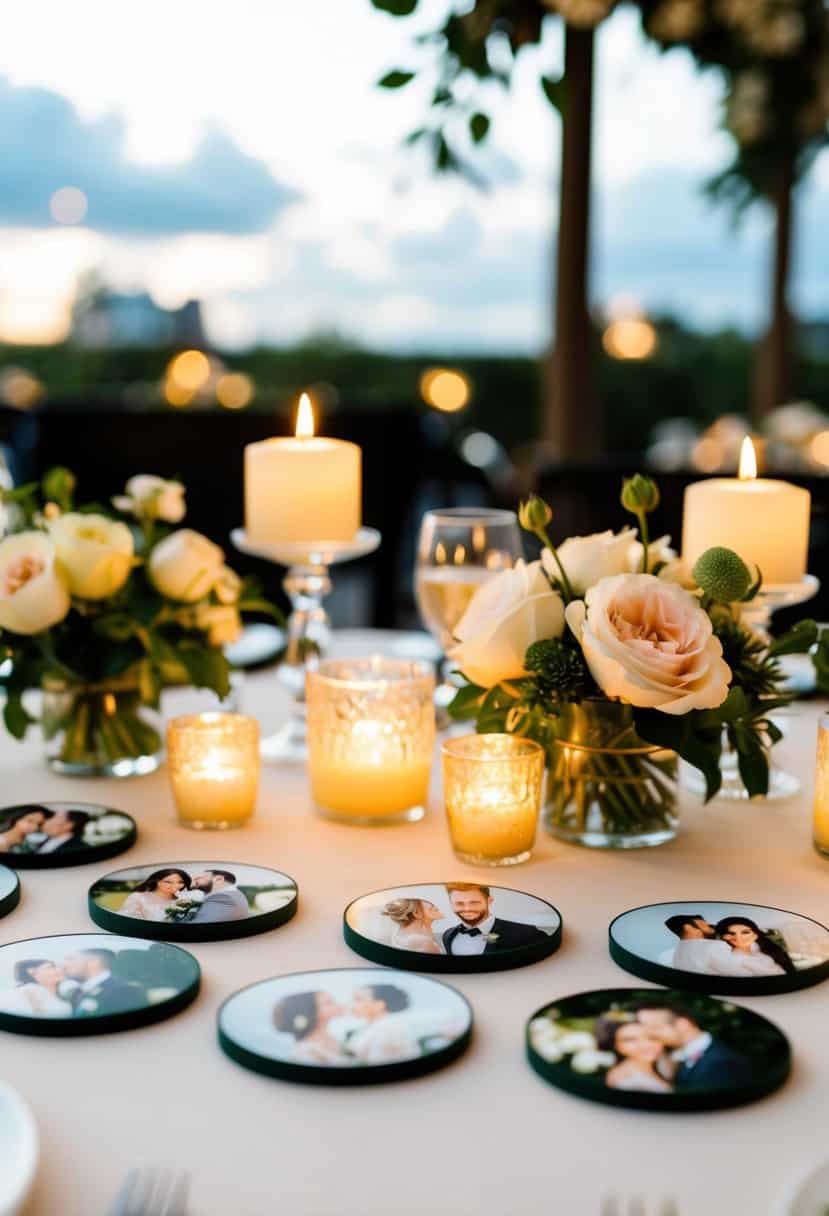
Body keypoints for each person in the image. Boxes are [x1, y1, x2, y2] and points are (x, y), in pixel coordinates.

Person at [634, 1002, 753, 1091]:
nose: (650, 1034)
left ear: (683, 1024)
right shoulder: (674, 1057)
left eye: (655, 1028)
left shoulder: (721, 1063)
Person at [442, 883, 547, 956]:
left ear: (489, 901)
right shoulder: (448, 935)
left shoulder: (527, 933)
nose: (467, 909)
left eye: (474, 902)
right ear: (451, 904)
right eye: (459, 903)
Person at [594, 1016, 672, 1094]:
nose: (645, 1045)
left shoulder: (664, 1062)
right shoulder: (628, 1083)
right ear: (616, 1046)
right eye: (630, 1040)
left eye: (651, 1037)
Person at [62, 948, 146, 1017]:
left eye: (70, 959)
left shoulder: (126, 991)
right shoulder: (76, 993)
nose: (64, 965)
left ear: (93, 962)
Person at [273, 990, 348, 1065]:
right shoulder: (304, 1053)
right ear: (312, 1012)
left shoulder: (333, 1039)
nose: (338, 1004)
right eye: (329, 1002)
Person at [659, 914, 741, 976]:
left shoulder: (674, 953)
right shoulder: (715, 945)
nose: (708, 925)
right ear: (688, 927)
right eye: (704, 924)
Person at [715, 916, 795, 978]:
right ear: (723, 937)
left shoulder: (764, 949)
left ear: (755, 935)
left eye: (745, 932)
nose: (738, 938)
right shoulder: (734, 961)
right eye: (730, 934)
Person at [1, 959, 74, 1017]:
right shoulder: (28, 990)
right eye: (50, 967)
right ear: (31, 971)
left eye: (58, 967)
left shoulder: (64, 995)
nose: (59, 970)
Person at [119, 869, 192, 921]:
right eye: (168, 882)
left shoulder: (183, 901)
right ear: (157, 881)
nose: (175, 886)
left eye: (180, 882)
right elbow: (126, 920)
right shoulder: (138, 897)